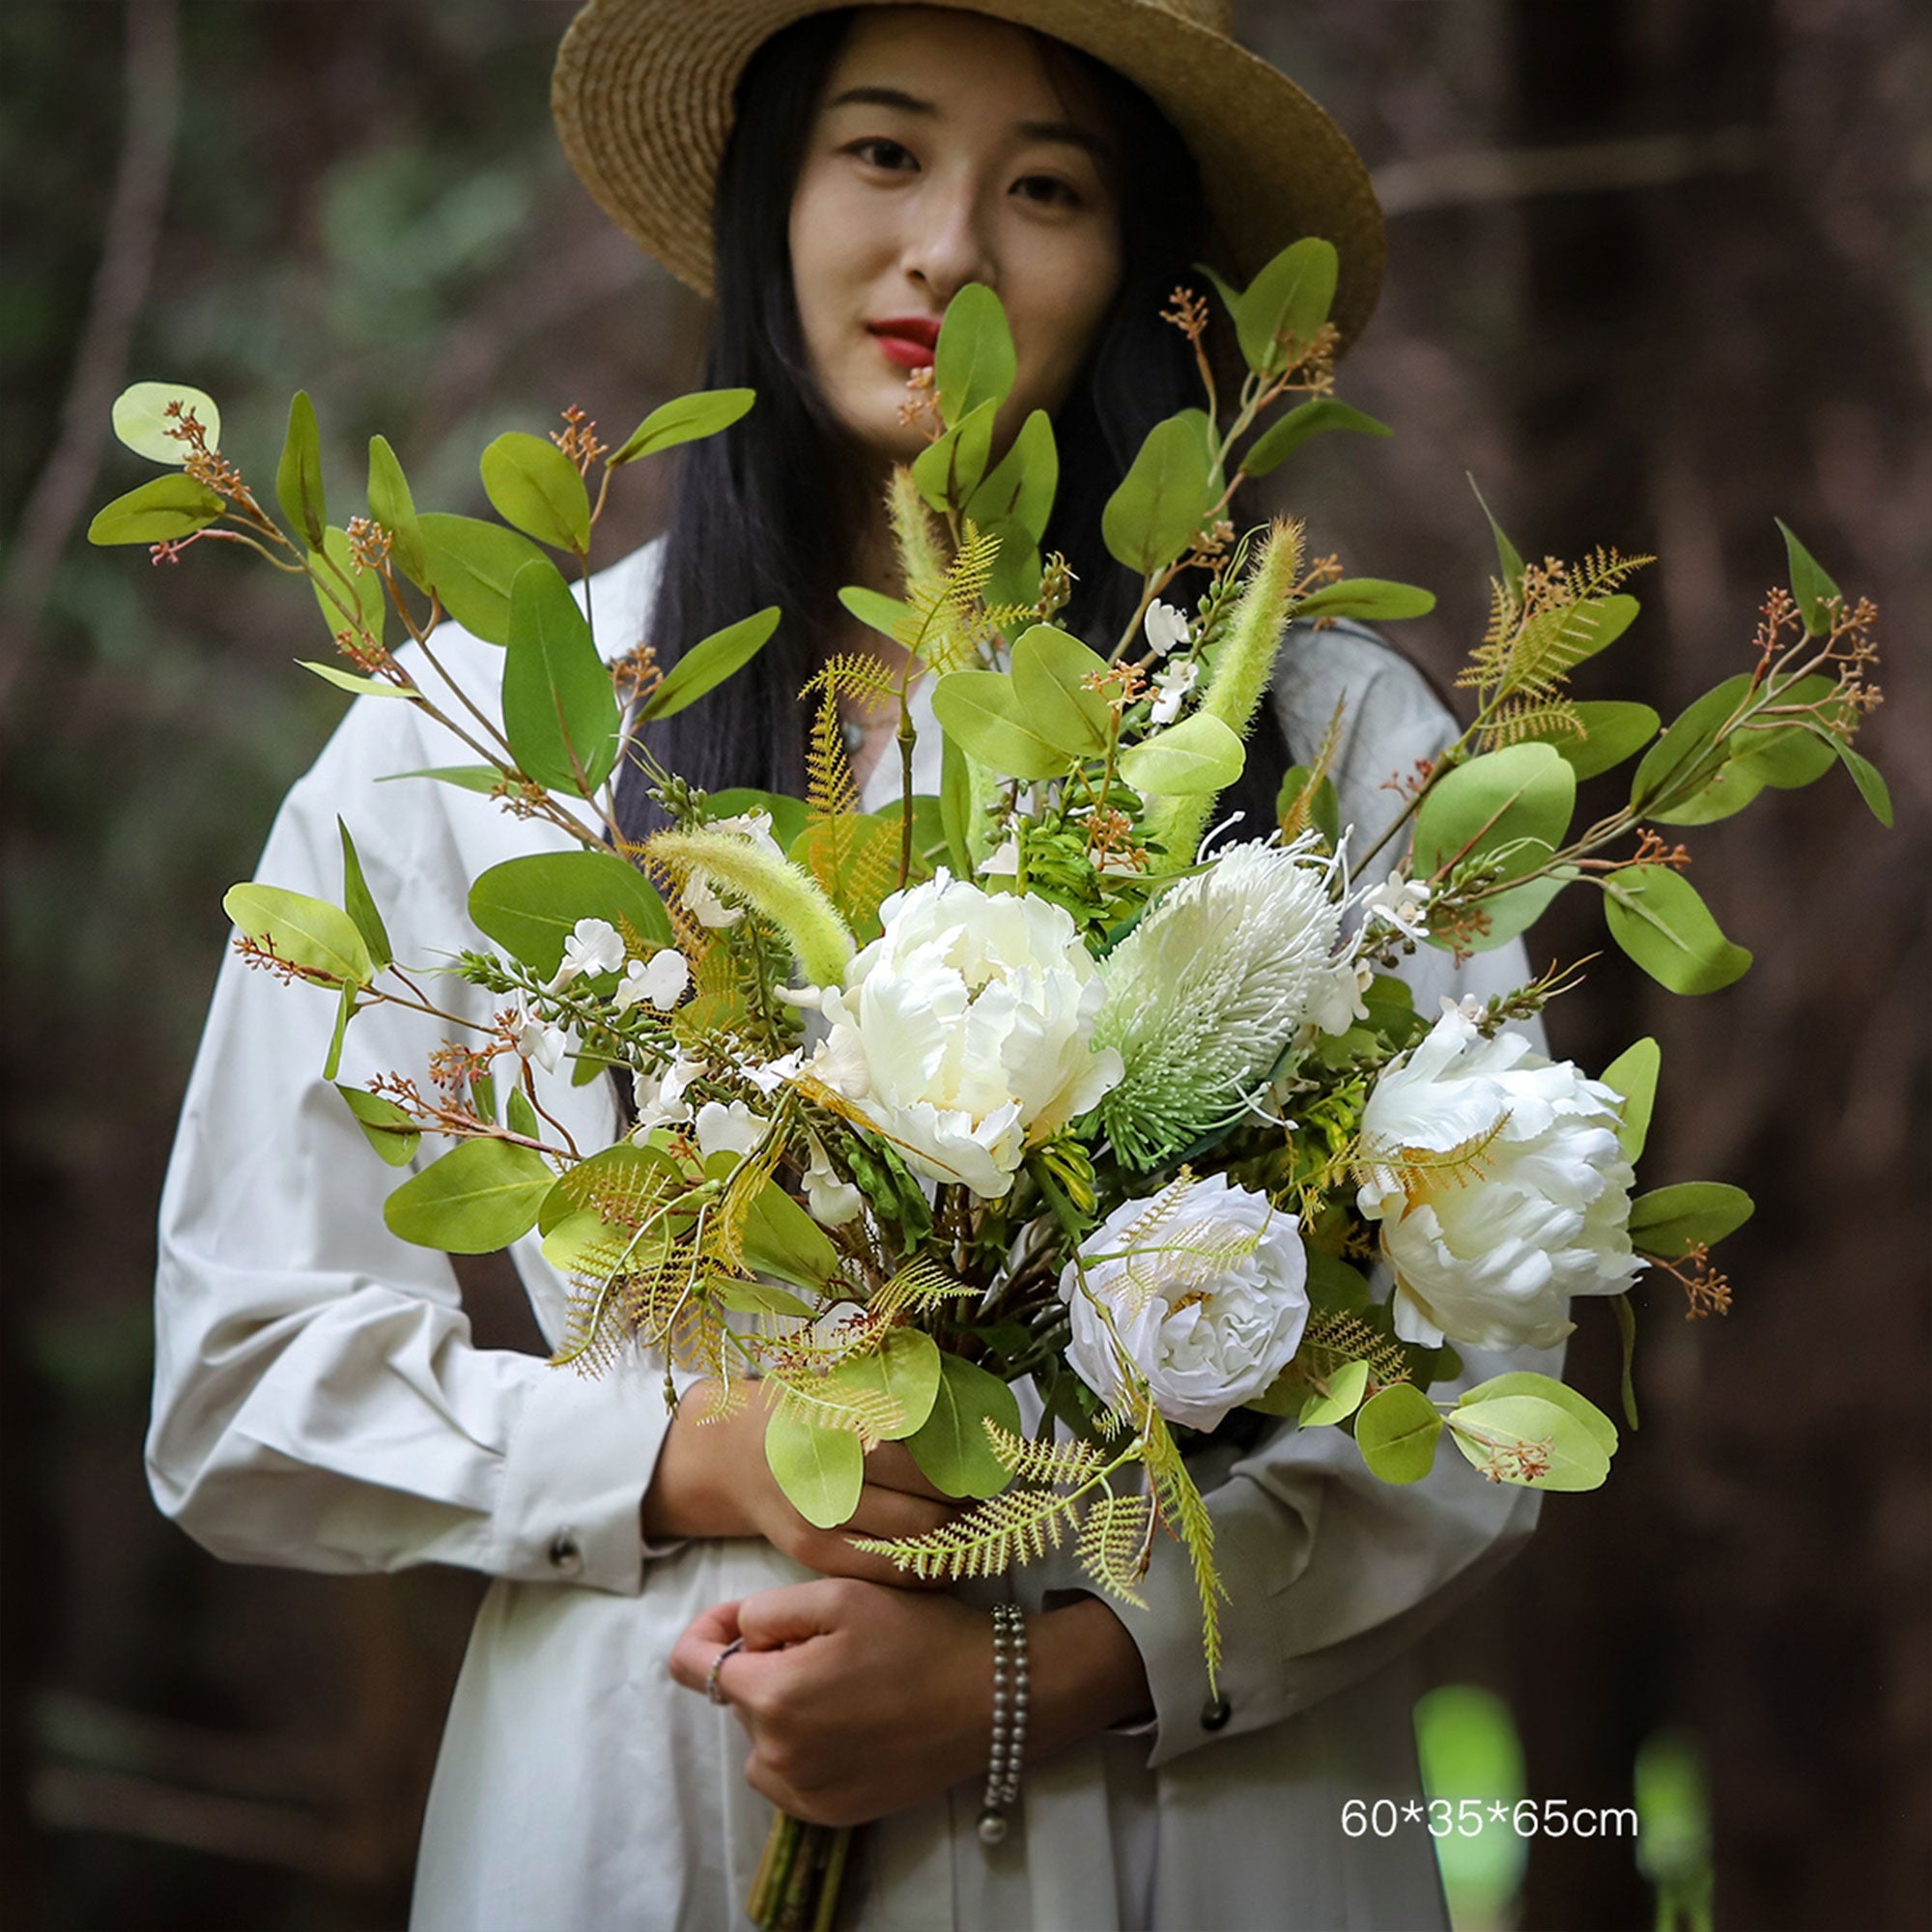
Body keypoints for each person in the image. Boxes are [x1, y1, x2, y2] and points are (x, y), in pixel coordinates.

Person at [149, 4, 1555, 1926]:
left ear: (1141, 276)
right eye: (881, 153)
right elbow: (240, 1371)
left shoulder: (1327, 739)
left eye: (1044, 186)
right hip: (654, 1794)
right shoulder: (479, 733)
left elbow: (1486, 1387)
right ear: (767, 199)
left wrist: (1046, 1681)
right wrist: (678, 1453)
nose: (949, 250)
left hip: (1183, 1831)